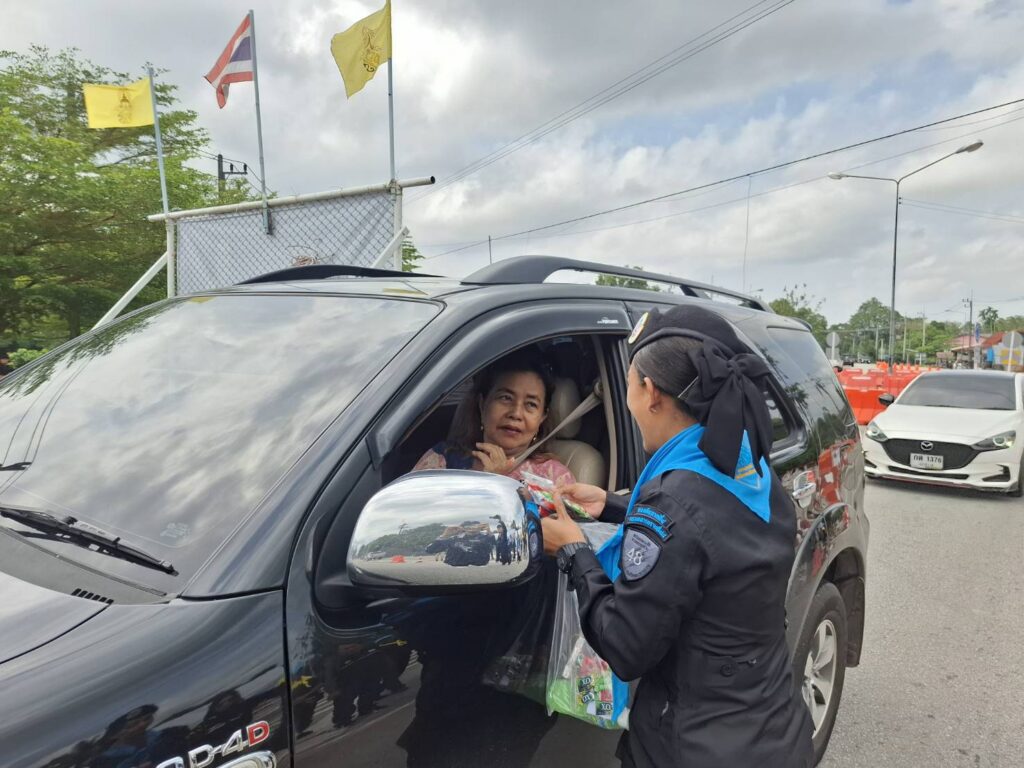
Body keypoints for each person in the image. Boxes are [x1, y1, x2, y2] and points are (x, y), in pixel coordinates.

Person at [542, 305, 814, 768]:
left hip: (693, 748)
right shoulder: (746, 464)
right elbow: (710, 531)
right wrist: (611, 505)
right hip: (774, 730)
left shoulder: (673, 499)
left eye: (628, 384)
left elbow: (625, 645)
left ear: (650, 392)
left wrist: (573, 551)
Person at [412, 347, 574, 485]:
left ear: (542, 417)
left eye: (531, 404)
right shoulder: (442, 460)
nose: (516, 413)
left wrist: (496, 483)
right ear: (482, 405)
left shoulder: (554, 477)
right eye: (506, 398)